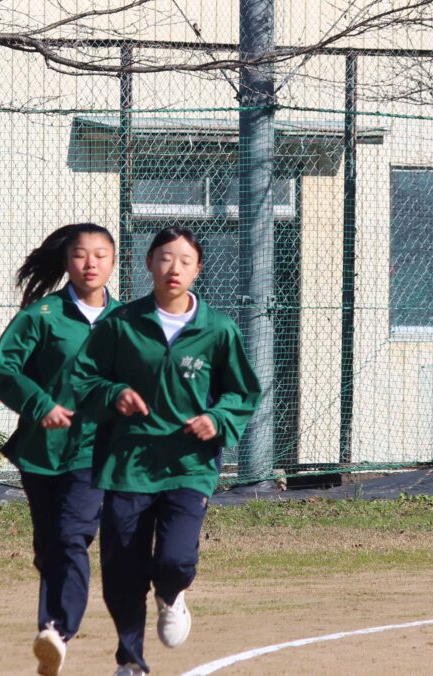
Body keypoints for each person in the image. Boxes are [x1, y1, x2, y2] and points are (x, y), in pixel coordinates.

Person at [72, 226, 262, 676]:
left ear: (198, 269)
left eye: (184, 261)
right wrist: (113, 394)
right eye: (164, 258)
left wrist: (217, 418)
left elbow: (242, 392)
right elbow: (84, 379)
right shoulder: (120, 324)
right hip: (128, 465)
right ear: (148, 263)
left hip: (189, 465)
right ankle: (130, 661)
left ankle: (172, 593)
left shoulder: (217, 329)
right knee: (122, 571)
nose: (173, 268)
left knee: (175, 560)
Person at [0, 222, 120, 676]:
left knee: (72, 536)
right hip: (42, 452)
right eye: (81, 254)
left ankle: (56, 630)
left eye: (100, 255)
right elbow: (4, 370)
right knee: (49, 545)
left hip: (97, 452)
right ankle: (52, 627)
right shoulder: (41, 316)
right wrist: (40, 404)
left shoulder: (129, 322)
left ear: (114, 262)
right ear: (67, 260)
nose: (90, 263)